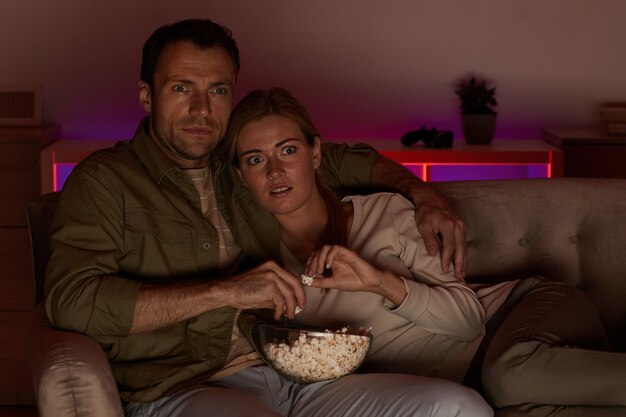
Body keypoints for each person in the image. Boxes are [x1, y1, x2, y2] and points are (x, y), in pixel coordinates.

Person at [44, 19, 492, 417]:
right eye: (181, 88)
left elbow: (337, 160)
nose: (202, 109)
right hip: (182, 388)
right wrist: (223, 292)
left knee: (458, 406)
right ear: (146, 95)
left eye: (217, 90)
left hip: (292, 376)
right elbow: (73, 302)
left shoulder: (240, 162)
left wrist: (422, 192)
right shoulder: (105, 181)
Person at [225, 86, 626, 417]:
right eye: (256, 159)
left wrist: (380, 283)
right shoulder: (268, 274)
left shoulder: (384, 212)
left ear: (316, 154)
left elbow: (470, 321)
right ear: (241, 176)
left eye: (288, 150)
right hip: (480, 384)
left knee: (509, 378)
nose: (275, 171)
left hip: (524, 312)